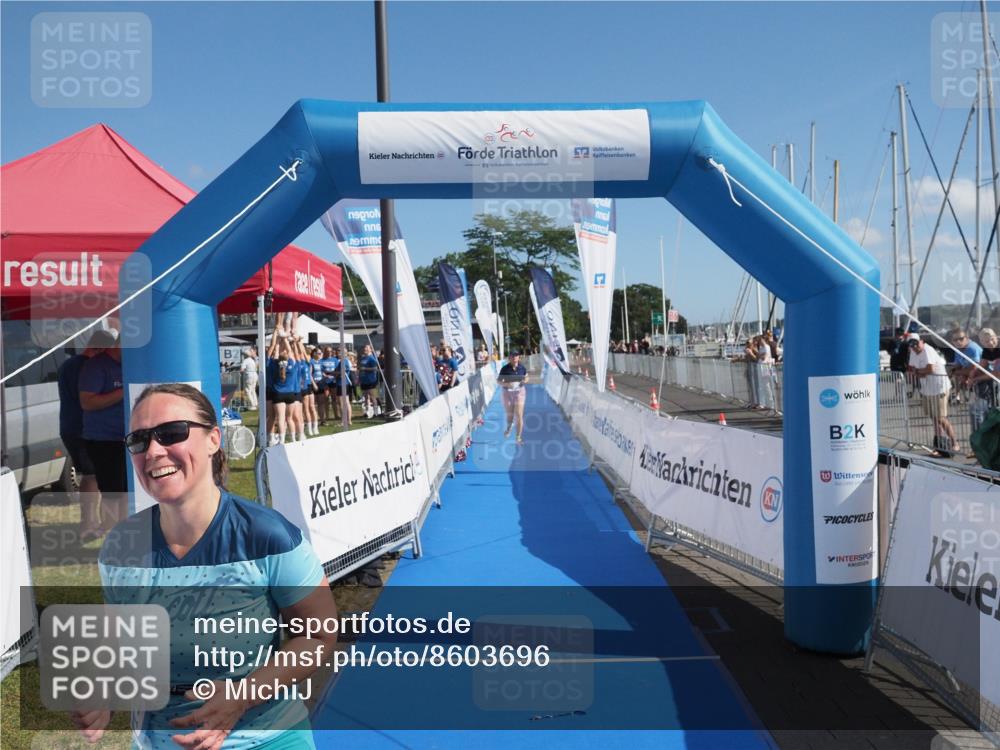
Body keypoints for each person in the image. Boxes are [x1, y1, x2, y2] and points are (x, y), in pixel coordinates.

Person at [76, 383, 338, 748]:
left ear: (214, 439)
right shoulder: (120, 546)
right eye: (139, 440)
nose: (153, 451)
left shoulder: (267, 535)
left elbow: (319, 634)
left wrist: (244, 695)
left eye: (171, 433)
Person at [78, 328, 128, 531]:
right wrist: (124, 391)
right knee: (112, 492)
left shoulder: (129, 365)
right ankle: (110, 531)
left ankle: (122, 531)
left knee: (126, 490)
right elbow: (87, 403)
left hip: (128, 438)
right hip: (103, 440)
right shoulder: (96, 367)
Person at [57, 336, 102, 541]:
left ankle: (90, 522)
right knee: (91, 476)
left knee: (88, 474)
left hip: (68, 426)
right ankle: (88, 524)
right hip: (82, 428)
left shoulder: (67, 365)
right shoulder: (87, 367)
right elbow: (89, 398)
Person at [908, 335, 958, 457]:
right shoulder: (913, 352)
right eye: (912, 345)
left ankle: (954, 443)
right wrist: (919, 372)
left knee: (940, 417)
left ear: (921, 341)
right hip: (927, 389)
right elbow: (910, 368)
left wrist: (918, 372)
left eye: (916, 344)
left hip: (939, 388)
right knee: (934, 418)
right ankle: (940, 447)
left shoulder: (928, 350)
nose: (914, 347)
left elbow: (930, 369)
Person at [498, 350, 528, 444]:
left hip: (519, 392)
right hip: (507, 393)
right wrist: (507, 384)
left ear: (519, 357)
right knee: (510, 414)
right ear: (509, 358)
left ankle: (518, 437)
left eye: (516, 356)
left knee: (519, 415)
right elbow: (498, 381)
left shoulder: (522, 368)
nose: (515, 358)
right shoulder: (505, 369)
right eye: (513, 356)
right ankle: (509, 426)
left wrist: (525, 381)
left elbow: (527, 377)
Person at [358, 344, 380, 418]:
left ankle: (376, 412)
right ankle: (367, 412)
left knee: (373, 397)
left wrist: (365, 369)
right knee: (365, 397)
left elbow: (375, 368)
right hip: (364, 380)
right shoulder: (363, 358)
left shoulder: (372, 358)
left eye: (367, 348)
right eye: (365, 348)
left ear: (371, 349)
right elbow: (360, 368)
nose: (365, 349)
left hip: (371, 380)